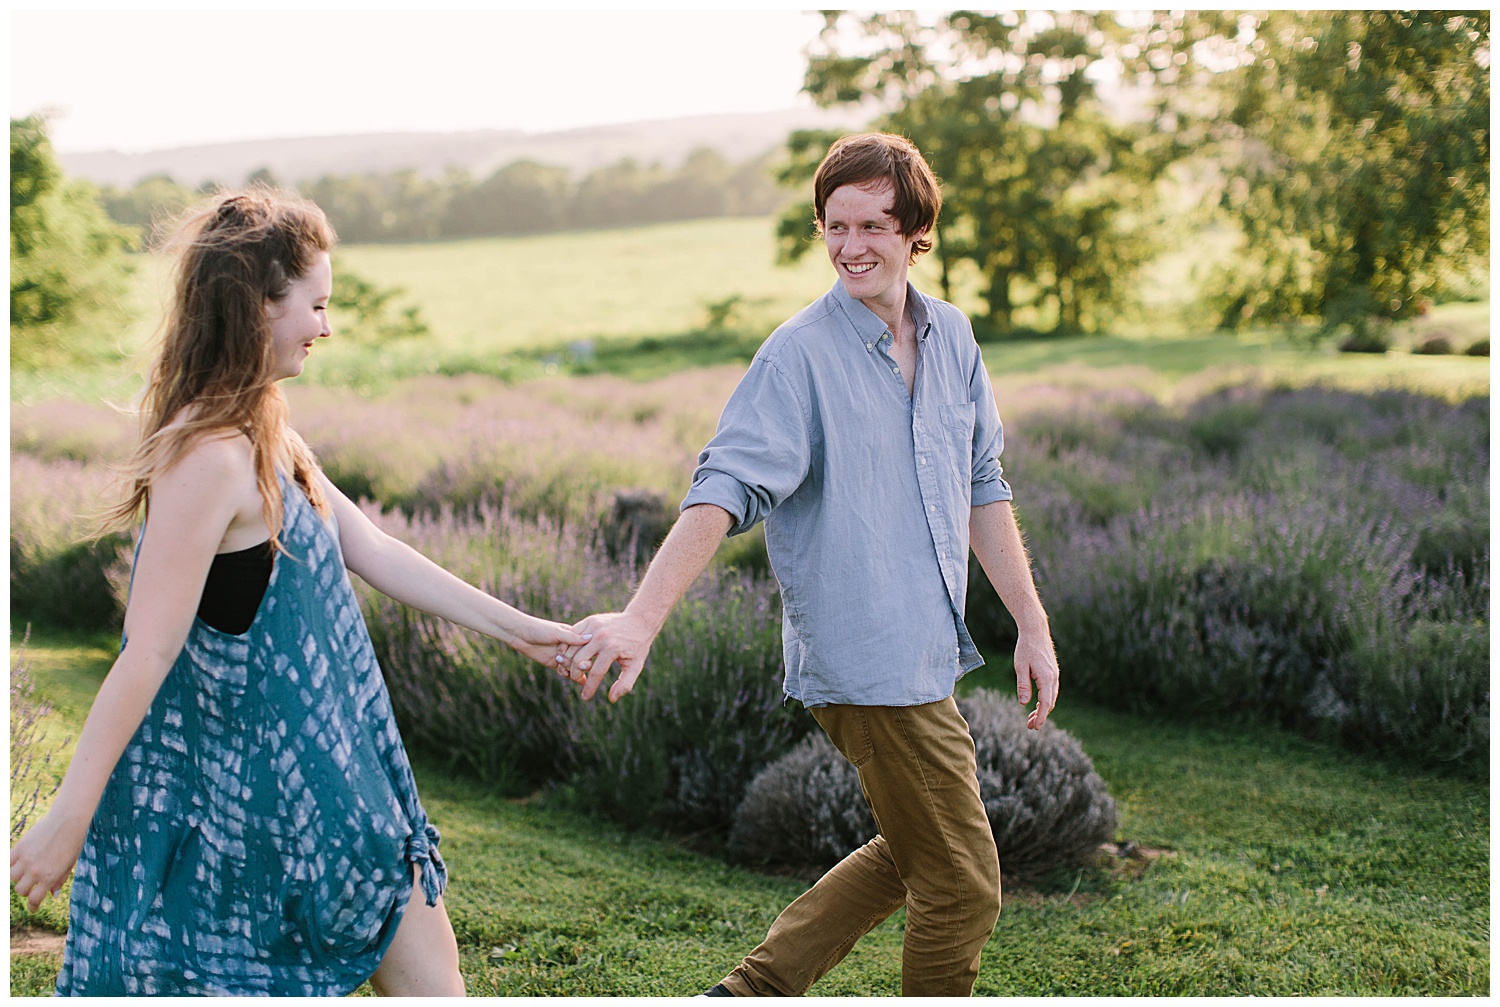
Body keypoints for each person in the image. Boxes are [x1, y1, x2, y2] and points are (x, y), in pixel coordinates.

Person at [8, 190, 586, 997]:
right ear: (255, 308)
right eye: (314, 303)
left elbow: (374, 548)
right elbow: (148, 650)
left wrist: (531, 632)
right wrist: (71, 813)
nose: (326, 325)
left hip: (350, 784)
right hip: (264, 811)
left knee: (437, 983)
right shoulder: (208, 458)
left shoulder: (268, 429)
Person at [559, 132, 1060, 997]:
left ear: (915, 231)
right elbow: (723, 488)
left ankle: (748, 991)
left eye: (873, 224)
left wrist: (1031, 622)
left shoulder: (952, 338)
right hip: (865, 662)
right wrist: (641, 616)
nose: (851, 246)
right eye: (835, 226)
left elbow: (984, 484)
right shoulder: (797, 355)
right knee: (964, 886)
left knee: (913, 856)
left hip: (925, 653)